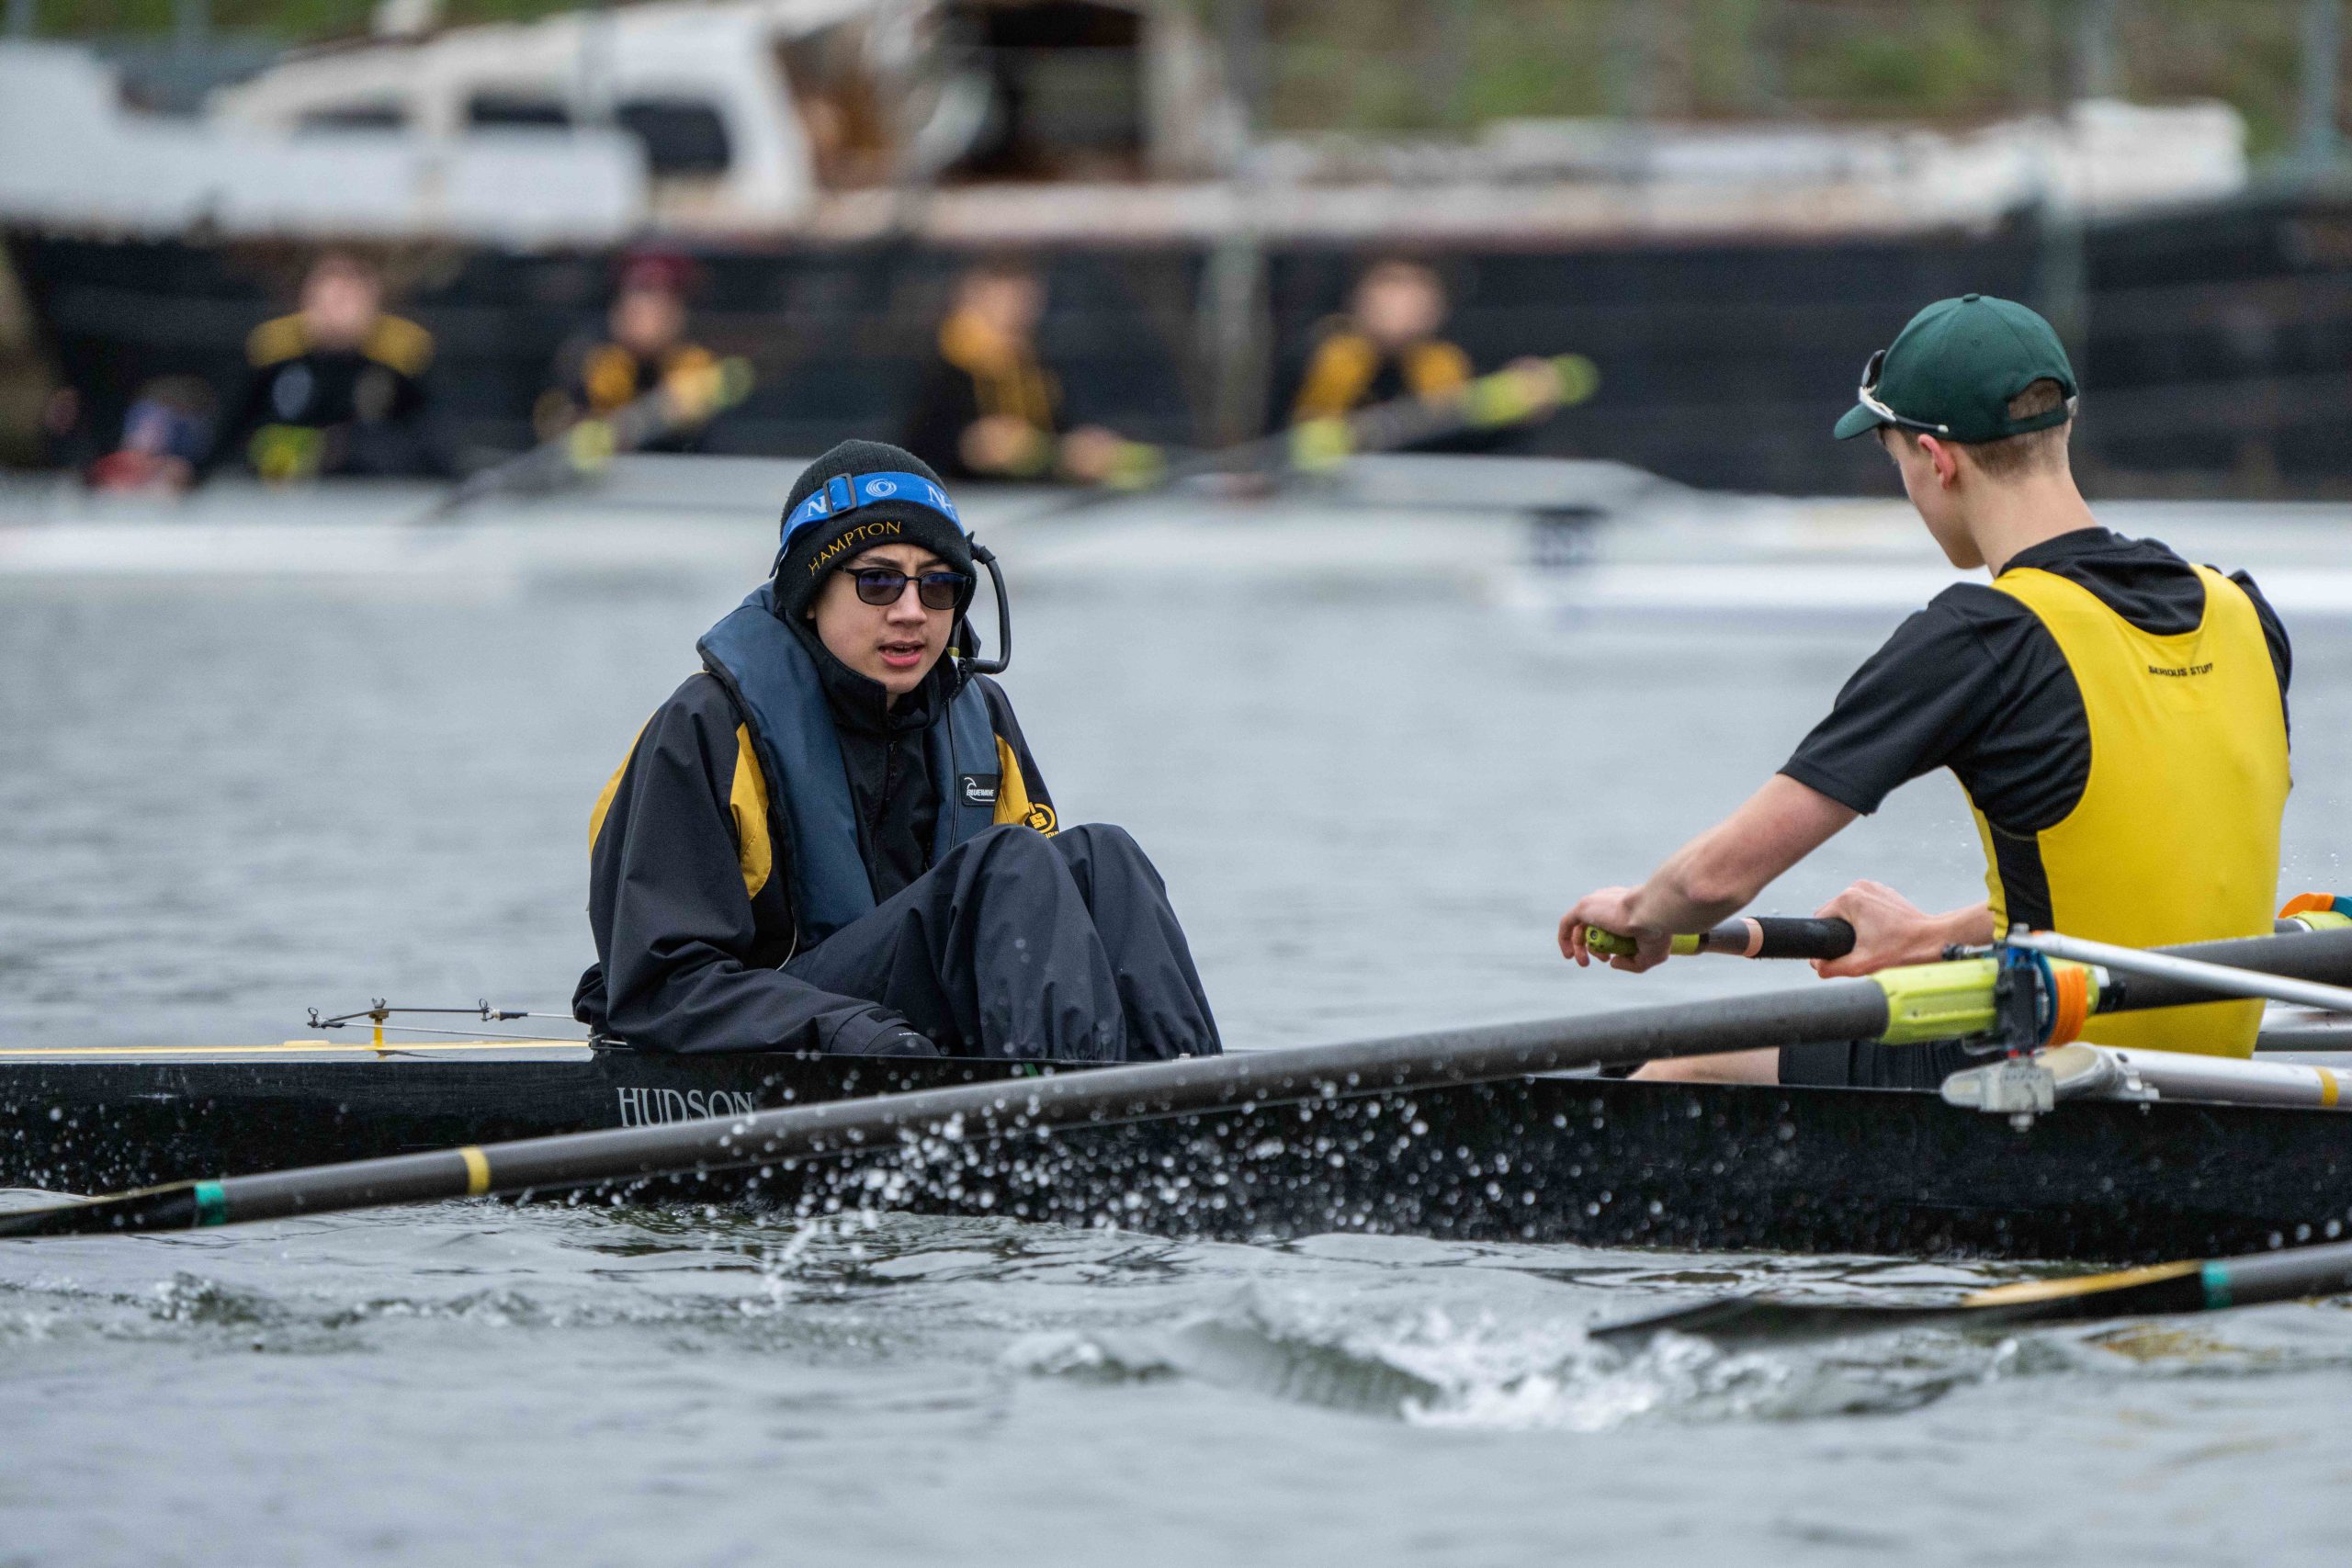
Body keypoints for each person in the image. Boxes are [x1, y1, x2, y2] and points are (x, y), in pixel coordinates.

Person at [1558, 294, 2292, 1085]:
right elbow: (2152, 888)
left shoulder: (1984, 634)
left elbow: (1714, 882)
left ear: (1938, 460)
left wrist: (1639, 915)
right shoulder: (2242, 612)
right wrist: (1929, 936)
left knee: (1675, 1064)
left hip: (2055, 1076)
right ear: (2063, 427)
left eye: (1898, 462)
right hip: (2207, 1074)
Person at [573, 439, 1221, 1062]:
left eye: (937, 586)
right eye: (879, 583)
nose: (912, 611)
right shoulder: (706, 726)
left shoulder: (983, 718)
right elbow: (660, 986)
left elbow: (1047, 934)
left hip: (907, 1032)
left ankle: (1192, 1096)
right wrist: (848, 1032)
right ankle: (1064, 1111)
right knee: (1011, 866)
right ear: (810, 593)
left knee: (1106, 860)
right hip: (794, 1033)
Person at [204, 250, 450, 482]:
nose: (338, 307)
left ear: (372, 302)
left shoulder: (399, 364)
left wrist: (350, 447)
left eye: (350, 295)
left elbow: (433, 446)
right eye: (329, 293)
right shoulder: (275, 359)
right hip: (284, 500)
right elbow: (234, 433)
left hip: (373, 500)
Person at [899, 259, 1129, 485]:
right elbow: (913, 450)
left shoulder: (1036, 367)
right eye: (996, 302)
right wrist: (967, 448)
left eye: (1023, 302)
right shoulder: (938, 365)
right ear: (968, 300)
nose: (1012, 314)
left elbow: (1054, 437)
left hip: (1028, 498)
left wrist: (1078, 449)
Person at [536, 252, 718, 453]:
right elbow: (551, 422)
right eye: (640, 292)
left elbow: (712, 441)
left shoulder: (695, 363)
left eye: (662, 300)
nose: (648, 311)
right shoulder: (587, 355)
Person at [1289, 258, 1474, 424]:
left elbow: (1465, 440)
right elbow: (1288, 439)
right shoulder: (1324, 358)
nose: (1400, 300)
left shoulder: (1450, 364)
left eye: (1416, 284)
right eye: (1389, 282)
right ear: (1358, 296)